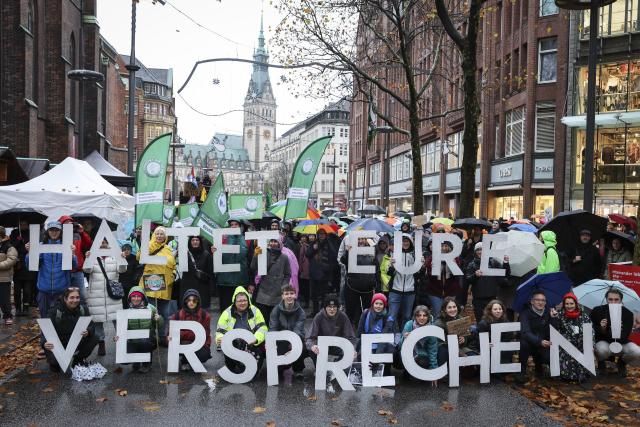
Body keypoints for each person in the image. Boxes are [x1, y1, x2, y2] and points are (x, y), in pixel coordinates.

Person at [84, 239, 127, 356]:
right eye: (100, 242)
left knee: (117, 319)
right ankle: (101, 342)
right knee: (97, 320)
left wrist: (122, 259)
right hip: (95, 295)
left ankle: (122, 343)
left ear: (109, 244)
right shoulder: (92, 256)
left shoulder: (115, 257)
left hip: (113, 293)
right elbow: (87, 270)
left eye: (105, 242)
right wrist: (88, 259)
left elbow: (122, 270)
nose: (102, 244)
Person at [25, 221, 77, 319]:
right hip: (44, 291)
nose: (54, 232)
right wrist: (29, 253)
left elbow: (74, 266)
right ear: (47, 232)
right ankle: (45, 335)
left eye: (56, 230)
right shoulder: (40, 245)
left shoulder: (67, 246)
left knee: (61, 320)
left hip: (61, 291)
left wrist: (73, 255)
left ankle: (61, 335)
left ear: (60, 232)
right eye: (51, 230)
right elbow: (30, 266)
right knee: (45, 319)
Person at [42, 287, 98, 372]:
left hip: (75, 342)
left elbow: (92, 326)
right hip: (59, 344)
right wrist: (44, 343)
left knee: (95, 337)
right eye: (71, 297)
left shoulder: (83, 309)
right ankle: (54, 361)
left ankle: (78, 359)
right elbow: (45, 330)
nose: (75, 300)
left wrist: (88, 331)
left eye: (77, 297)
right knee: (55, 366)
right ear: (65, 299)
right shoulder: (55, 311)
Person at [216, 286, 268, 377]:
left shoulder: (255, 311)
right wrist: (220, 338)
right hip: (234, 345)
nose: (242, 303)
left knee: (254, 374)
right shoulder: (226, 313)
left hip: (251, 344)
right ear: (234, 302)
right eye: (239, 301)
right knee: (233, 370)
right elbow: (220, 330)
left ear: (248, 300)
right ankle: (233, 364)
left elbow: (263, 328)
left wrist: (256, 339)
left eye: (244, 300)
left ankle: (251, 366)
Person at [136, 226, 176, 343]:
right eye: (157, 233)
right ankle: (151, 337)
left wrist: (173, 274)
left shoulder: (168, 249)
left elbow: (173, 265)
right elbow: (139, 257)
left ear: (165, 236)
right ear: (154, 235)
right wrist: (148, 246)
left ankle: (163, 337)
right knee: (151, 312)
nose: (159, 236)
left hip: (166, 285)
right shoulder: (149, 245)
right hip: (151, 283)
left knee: (164, 313)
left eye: (161, 234)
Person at [590, 288, 640, 377]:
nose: (613, 302)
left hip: (621, 342)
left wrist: (617, 330)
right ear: (606, 299)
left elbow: (625, 336)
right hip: (603, 341)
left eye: (616, 300)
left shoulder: (627, 313)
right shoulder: (597, 310)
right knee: (602, 350)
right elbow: (592, 329)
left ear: (621, 300)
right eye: (610, 299)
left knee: (637, 351)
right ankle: (601, 362)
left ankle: (622, 362)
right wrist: (602, 328)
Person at [114, 286, 163, 373]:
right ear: (130, 298)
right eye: (133, 296)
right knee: (124, 357)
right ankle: (136, 361)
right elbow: (122, 331)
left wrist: (159, 319)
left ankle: (146, 364)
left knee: (144, 342)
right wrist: (117, 337)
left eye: (138, 296)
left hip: (149, 340)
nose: (136, 299)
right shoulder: (126, 312)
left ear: (142, 297)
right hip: (133, 341)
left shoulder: (151, 308)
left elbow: (159, 326)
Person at [517, 290, 559, 383]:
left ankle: (539, 367)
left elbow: (554, 332)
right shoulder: (525, 313)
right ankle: (521, 371)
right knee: (524, 344)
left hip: (543, 343)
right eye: (537, 300)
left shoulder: (549, 312)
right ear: (532, 301)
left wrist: (553, 319)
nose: (540, 302)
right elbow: (525, 332)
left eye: (543, 300)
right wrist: (539, 341)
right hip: (529, 342)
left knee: (548, 356)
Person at [167, 289, 212, 371]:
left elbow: (205, 334)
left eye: (194, 300)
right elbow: (170, 334)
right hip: (183, 343)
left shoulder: (205, 316)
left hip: (199, 343)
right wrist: (170, 338)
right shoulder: (176, 316)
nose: (191, 302)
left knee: (204, 355)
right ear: (185, 301)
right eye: (189, 300)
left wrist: (181, 334)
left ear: (198, 301)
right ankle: (185, 359)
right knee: (177, 344)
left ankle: (191, 360)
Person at [464, 242, 510, 321]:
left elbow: (505, 274)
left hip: (492, 298)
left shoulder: (494, 262)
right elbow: (468, 279)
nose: (480, 252)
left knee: (493, 320)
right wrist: (475, 275)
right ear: (475, 252)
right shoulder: (472, 264)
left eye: (482, 249)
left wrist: (506, 263)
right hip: (478, 299)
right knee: (480, 320)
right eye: (478, 250)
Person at [269, 284, 307, 377]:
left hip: (296, 338)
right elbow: (273, 329)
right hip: (280, 340)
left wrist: (294, 344)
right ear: (282, 296)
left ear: (295, 295)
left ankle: (298, 369)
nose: (289, 296)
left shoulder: (301, 312)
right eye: (286, 294)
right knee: (279, 371)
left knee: (301, 345)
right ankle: (283, 366)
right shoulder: (276, 310)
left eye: (291, 293)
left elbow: (298, 330)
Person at [306, 294, 356, 365]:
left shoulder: (343, 317)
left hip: (338, 345)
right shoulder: (319, 317)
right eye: (329, 307)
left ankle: (337, 367)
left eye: (334, 307)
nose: (332, 309)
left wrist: (352, 348)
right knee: (311, 350)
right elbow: (310, 337)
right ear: (325, 308)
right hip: (322, 345)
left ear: (338, 308)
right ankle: (320, 371)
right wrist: (312, 346)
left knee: (349, 352)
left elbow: (351, 337)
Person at [341, 237, 381, 324]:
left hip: (368, 288)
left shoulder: (372, 252)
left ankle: (364, 330)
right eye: (358, 239)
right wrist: (347, 252)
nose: (360, 241)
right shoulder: (351, 251)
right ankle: (350, 331)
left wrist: (377, 285)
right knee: (351, 311)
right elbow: (343, 260)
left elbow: (377, 270)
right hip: (352, 287)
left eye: (363, 239)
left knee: (367, 311)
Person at [251, 238, 291, 322]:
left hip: (277, 293)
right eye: (271, 241)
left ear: (279, 243)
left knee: (274, 320)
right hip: (263, 291)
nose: (273, 243)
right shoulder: (263, 254)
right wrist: (255, 255)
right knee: (263, 319)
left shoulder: (284, 257)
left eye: (275, 241)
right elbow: (253, 267)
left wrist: (283, 286)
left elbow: (288, 274)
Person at [213, 218, 249, 312]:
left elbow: (245, 258)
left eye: (235, 224)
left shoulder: (247, 240)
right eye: (231, 225)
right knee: (226, 310)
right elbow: (220, 258)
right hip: (225, 282)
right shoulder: (222, 240)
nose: (233, 226)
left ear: (240, 227)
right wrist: (214, 251)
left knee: (240, 310)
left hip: (241, 281)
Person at [556, 292, 592, 383]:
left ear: (576, 304)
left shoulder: (584, 316)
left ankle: (582, 374)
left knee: (584, 349)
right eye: (567, 304)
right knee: (565, 351)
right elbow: (556, 330)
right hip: (565, 343)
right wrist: (553, 318)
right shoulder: (559, 315)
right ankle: (566, 375)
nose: (569, 306)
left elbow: (590, 331)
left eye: (571, 303)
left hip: (580, 342)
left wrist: (591, 345)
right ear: (564, 305)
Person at [422, 241, 462, 317]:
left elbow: (457, 275)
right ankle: (437, 328)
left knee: (450, 313)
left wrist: (454, 265)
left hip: (451, 291)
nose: (444, 248)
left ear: (449, 247)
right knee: (437, 313)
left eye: (446, 246)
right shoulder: (432, 257)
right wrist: (431, 266)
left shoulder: (455, 258)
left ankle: (447, 329)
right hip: (435, 291)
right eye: (442, 246)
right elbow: (428, 275)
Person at [387, 234, 419, 330]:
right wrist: (392, 266)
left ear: (410, 243)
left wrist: (421, 267)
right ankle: (390, 338)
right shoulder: (394, 254)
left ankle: (403, 338)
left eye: (407, 241)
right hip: (395, 289)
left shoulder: (414, 255)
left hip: (410, 290)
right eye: (403, 241)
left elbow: (418, 275)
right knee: (392, 316)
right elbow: (389, 273)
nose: (405, 243)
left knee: (407, 316)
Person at [434, 297, 476, 368]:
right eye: (449, 307)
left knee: (473, 358)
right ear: (444, 309)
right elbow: (440, 342)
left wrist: (464, 339)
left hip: (461, 347)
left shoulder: (461, 318)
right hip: (445, 348)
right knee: (445, 352)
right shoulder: (439, 323)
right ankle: (446, 375)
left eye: (454, 307)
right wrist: (458, 351)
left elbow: (466, 337)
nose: (453, 309)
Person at [398, 305, 438, 378]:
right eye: (419, 315)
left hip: (423, 355)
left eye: (424, 315)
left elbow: (432, 350)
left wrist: (433, 371)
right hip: (408, 354)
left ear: (428, 317)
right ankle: (406, 371)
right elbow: (400, 346)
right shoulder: (409, 325)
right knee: (397, 355)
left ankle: (422, 373)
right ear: (415, 316)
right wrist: (404, 338)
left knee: (423, 361)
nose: (422, 318)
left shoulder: (431, 329)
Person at [58, 216, 93, 300]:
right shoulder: (58, 237)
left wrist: (82, 232)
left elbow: (89, 244)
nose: (69, 226)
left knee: (82, 296)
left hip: (78, 270)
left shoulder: (78, 235)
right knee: (65, 296)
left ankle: (81, 312)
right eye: (66, 224)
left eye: (71, 224)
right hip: (63, 272)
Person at [306, 228, 337, 315]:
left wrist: (329, 271)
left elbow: (333, 257)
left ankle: (323, 311)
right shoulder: (314, 243)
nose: (321, 236)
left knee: (324, 294)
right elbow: (307, 254)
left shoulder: (329, 244)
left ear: (325, 235)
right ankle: (315, 311)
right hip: (314, 273)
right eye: (320, 234)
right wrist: (313, 249)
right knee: (314, 295)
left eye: (323, 234)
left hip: (324, 274)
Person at [356, 293, 395, 361]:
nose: (378, 306)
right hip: (367, 343)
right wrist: (357, 349)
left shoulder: (388, 318)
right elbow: (360, 333)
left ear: (384, 305)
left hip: (382, 344)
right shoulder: (365, 313)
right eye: (376, 303)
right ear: (373, 304)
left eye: (381, 304)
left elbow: (384, 338)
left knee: (387, 355)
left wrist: (377, 357)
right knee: (361, 356)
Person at [179, 236, 214, 310]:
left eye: (197, 240)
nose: (195, 242)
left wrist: (211, 289)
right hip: (188, 289)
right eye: (193, 240)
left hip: (202, 289)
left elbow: (210, 273)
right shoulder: (185, 254)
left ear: (200, 242)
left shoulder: (206, 255)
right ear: (189, 242)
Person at [9, 220, 36, 316]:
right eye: (21, 224)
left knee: (27, 290)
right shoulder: (15, 233)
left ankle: (25, 308)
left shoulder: (32, 233)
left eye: (25, 224)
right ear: (19, 225)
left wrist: (25, 248)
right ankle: (18, 309)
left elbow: (34, 248)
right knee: (17, 290)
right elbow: (11, 248)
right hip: (18, 266)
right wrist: (18, 240)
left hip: (29, 265)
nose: (23, 225)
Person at [0, 227, 18, 325]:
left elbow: (12, 260)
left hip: (4, 278)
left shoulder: (9, 246)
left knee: (4, 299)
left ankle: (8, 316)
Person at [118, 242, 140, 309]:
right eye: (124, 249)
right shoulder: (119, 258)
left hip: (132, 283)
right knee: (123, 300)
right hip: (122, 283)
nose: (126, 251)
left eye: (128, 249)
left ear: (131, 250)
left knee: (132, 299)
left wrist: (135, 280)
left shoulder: (135, 258)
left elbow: (137, 270)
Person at [297, 234, 311, 309]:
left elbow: (301, 258)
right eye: (302, 237)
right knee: (305, 286)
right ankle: (306, 301)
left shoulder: (305, 246)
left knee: (306, 286)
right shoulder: (302, 246)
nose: (303, 238)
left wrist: (300, 268)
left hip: (305, 269)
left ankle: (307, 302)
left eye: (304, 237)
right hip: (305, 269)